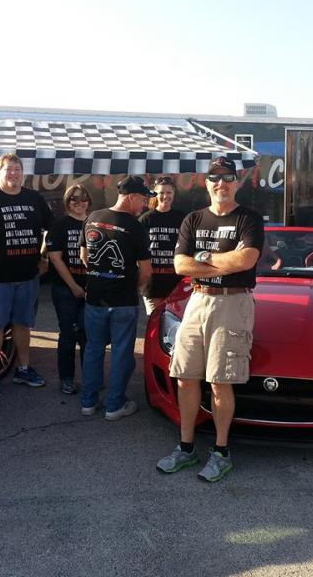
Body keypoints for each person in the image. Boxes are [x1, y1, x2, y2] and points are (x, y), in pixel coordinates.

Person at [156, 156, 264, 483]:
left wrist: (201, 258)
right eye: (215, 178)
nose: (221, 183)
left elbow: (245, 259)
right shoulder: (194, 219)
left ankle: (221, 452)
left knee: (219, 381)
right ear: (207, 184)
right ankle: (186, 448)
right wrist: (220, 263)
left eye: (228, 178)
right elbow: (180, 266)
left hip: (233, 302)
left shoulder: (249, 218)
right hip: (198, 300)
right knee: (185, 376)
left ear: (237, 183)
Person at [0, 153, 53, 400]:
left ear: (23, 172)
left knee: (23, 324)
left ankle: (23, 368)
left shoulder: (34, 198)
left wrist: (43, 256)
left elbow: (51, 230)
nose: (13, 174)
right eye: (8, 169)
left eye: (17, 169)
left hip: (28, 275)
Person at [79, 175, 153, 420]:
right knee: (121, 353)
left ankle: (88, 402)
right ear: (131, 197)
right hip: (122, 301)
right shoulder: (135, 226)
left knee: (93, 350)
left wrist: (99, 276)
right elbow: (145, 270)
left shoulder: (93, 217)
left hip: (95, 298)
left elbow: (84, 255)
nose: (144, 205)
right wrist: (135, 287)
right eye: (143, 199)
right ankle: (114, 405)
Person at [44, 184, 91, 395]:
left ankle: (90, 379)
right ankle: (67, 379)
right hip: (65, 289)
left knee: (88, 335)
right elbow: (55, 258)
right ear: (67, 202)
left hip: (91, 289)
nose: (79, 203)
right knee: (68, 335)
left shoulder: (95, 223)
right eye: (74, 199)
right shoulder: (60, 225)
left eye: (83, 199)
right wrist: (73, 286)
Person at [139, 176, 186, 315]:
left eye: (169, 192)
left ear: (174, 194)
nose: (165, 196)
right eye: (161, 193)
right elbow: (138, 252)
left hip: (177, 284)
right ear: (155, 194)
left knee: (175, 325)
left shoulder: (182, 218)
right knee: (155, 325)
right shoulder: (146, 219)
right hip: (152, 285)